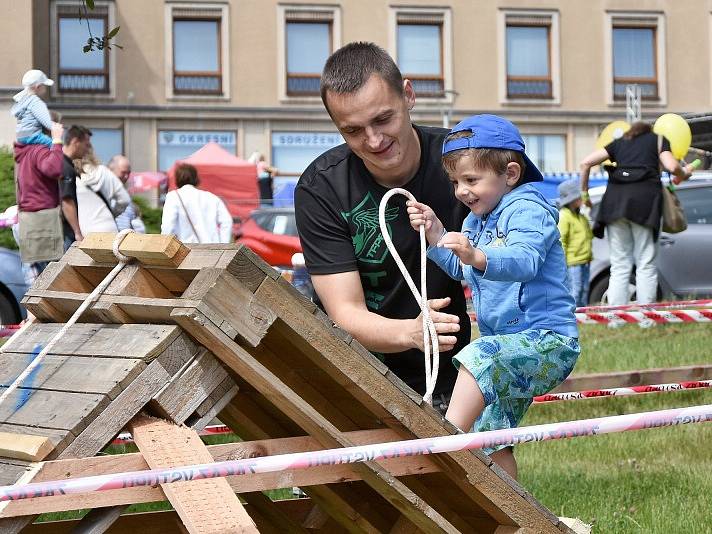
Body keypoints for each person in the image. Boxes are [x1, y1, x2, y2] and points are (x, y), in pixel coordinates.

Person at [294, 42, 470, 409]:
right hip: (357, 380)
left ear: (408, 95)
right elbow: (344, 312)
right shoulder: (321, 187)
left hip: (454, 371)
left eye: (382, 119)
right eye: (353, 130)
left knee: (493, 465)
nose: (373, 141)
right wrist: (411, 331)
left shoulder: (463, 162)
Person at [407, 114, 580, 478]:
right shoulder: (474, 221)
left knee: (478, 356)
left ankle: (445, 442)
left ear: (510, 175)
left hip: (548, 342)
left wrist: (478, 255)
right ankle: (510, 510)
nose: (461, 191)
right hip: (507, 347)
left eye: (471, 180)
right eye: (455, 181)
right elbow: (462, 270)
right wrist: (438, 236)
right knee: (490, 435)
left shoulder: (529, 209)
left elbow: (525, 260)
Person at [579, 122, 693, 305]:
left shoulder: (620, 142)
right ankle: (645, 318)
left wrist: (584, 194)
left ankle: (615, 318)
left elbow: (585, 163)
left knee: (619, 264)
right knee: (645, 263)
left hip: (615, 205)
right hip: (645, 205)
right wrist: (684, 173)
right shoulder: (658, 140)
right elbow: (672, 166)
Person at [13, 122, 65, 284]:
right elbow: (54, 169)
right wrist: (57, 142)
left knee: (34, 284)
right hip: (42, 221)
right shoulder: (40, 150)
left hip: (28, 220)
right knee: (47, 284)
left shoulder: (26, 152)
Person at [161, 163, 233, 243]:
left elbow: (167, 226)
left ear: (177, 178)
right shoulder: (212, 198)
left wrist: (165, 244)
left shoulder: (173, 196)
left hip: (185, 249)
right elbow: (227, 221)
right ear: (196, 178)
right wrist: (223, 243)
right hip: (212, 249)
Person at [74, 147, 130, 234]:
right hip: (108, 227)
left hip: (84, 229)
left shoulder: (72, 175)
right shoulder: (103, 171)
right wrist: (113, 212)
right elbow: (125, 199)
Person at [557, 178, 593, 307]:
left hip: (585, 261)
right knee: (575, 291)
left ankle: (583, 318)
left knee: (584, 290)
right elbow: (562, 241)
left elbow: (589, 236)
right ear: (572, 199)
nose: (582, 199)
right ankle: (572, 318)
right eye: (579, 196)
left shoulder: (581, 216)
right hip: (573, 263)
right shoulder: (564, 216)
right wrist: (562, 264)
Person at [61, 125, 93, 249]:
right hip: (64, 232)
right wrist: (77, 233)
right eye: (86, 144)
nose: (88, 149)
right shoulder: (65, 167)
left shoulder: (60, 162)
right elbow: (67, 200)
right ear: (75, 142)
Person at [11, 69, 56, 148]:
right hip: (33, 135)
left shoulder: (23, 100)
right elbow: (48, 123)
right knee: (56, 146)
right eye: (44, 85)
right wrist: (59, 129)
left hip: (21, 137)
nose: (45, 89)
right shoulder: (36, 102)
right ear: (38, 87)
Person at [108, 155, 146, 233]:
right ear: (110, 171)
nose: (126, 176)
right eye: (123, 172)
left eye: (128, 173)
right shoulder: (105, 194)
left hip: (126, 241)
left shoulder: (126, 197)